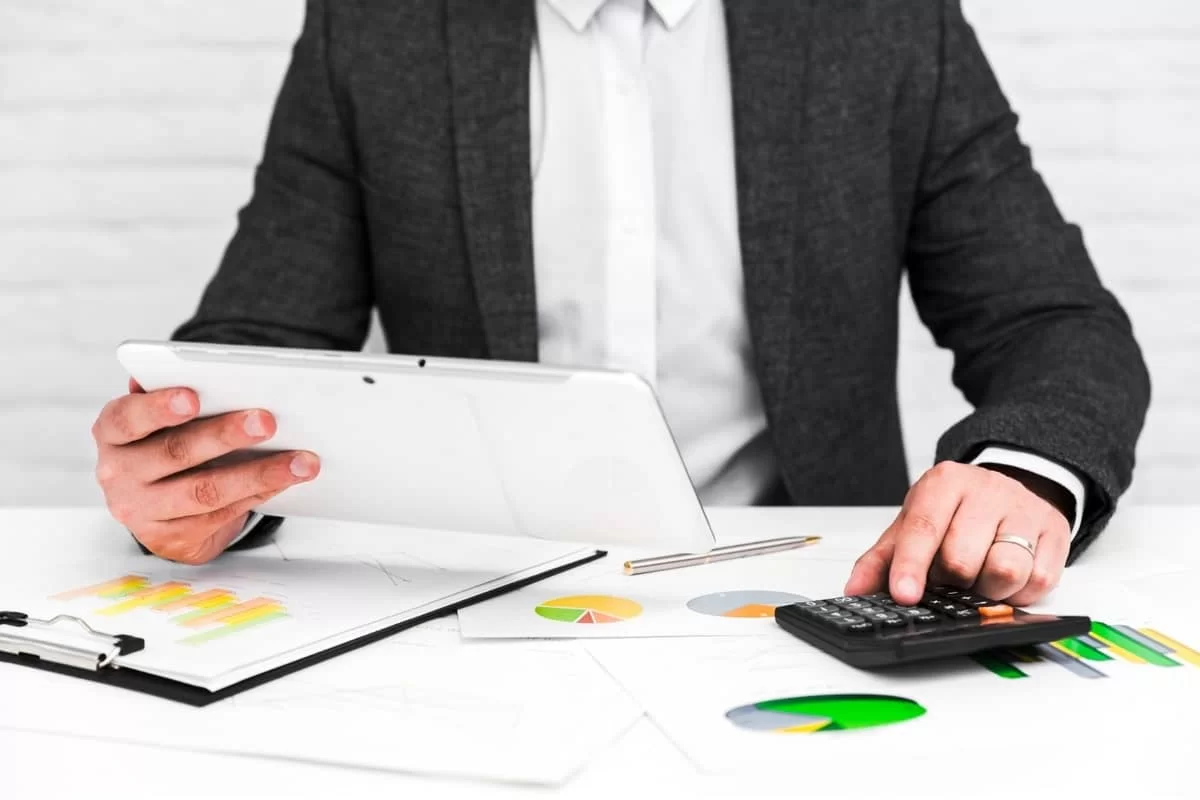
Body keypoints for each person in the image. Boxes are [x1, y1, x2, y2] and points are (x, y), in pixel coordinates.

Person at [91, 0, 1149, 607]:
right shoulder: (378, 26)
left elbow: (1050, 320)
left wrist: (1021, 473)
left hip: (816, 589)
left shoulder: (883, 21)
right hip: (471, 601)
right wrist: (193, 478)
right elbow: (266, 335)